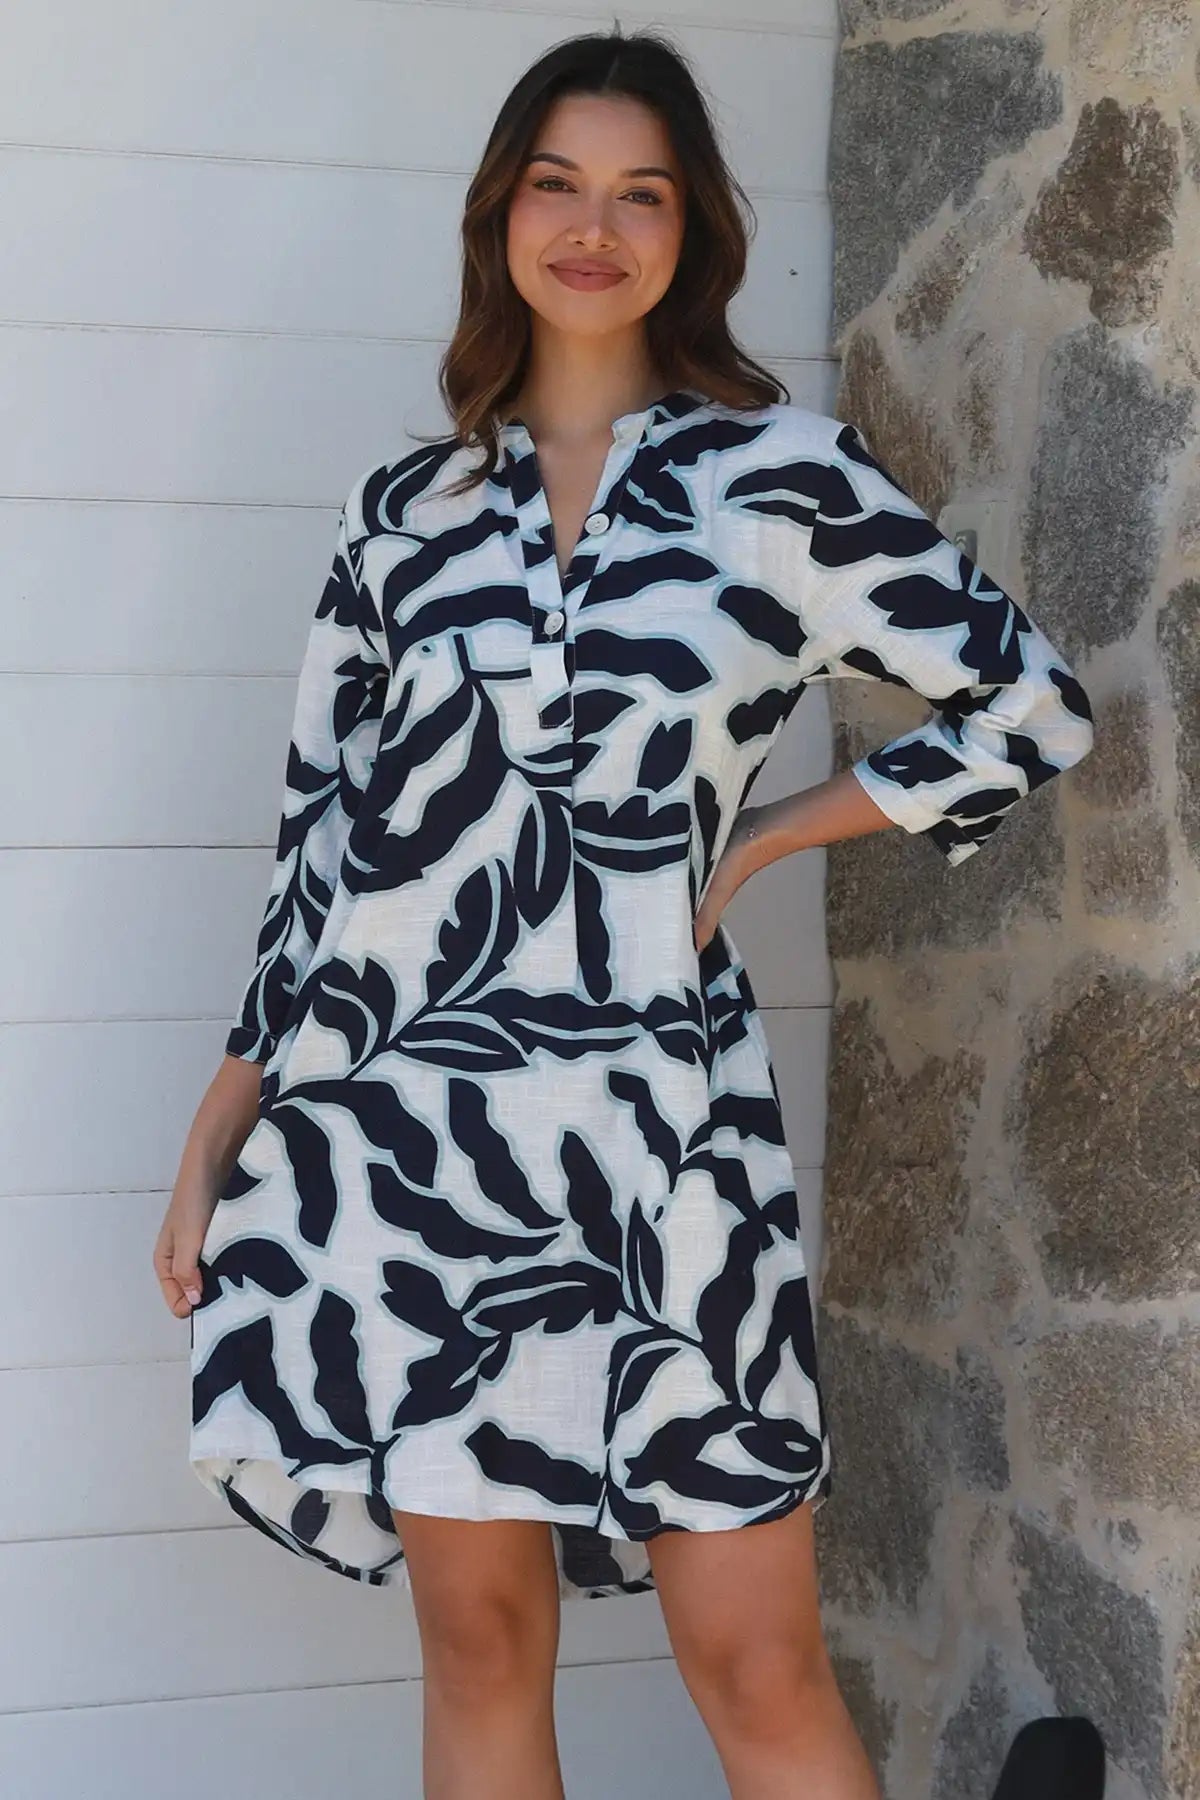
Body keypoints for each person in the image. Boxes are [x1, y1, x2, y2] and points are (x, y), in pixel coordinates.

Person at [154, 25, 1094, 1800]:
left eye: (639, 193)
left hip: (667, 1132)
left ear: (694, 231)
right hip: (408, 1142)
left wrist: (773, 839)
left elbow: (1027, 709)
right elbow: (320, 834)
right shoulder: (401, 514)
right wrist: (229, 1105)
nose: (594, 227)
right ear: (503, 211)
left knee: (753, 1649)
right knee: (482, 1644)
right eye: (558, 184)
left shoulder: (782, 479)